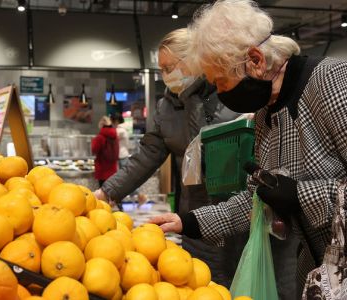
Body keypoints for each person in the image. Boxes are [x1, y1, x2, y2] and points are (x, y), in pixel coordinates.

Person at [150, 0, 347, 299]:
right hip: (318, 273)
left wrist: (300, 195)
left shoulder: (330, 82)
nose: (220, 92)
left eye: (221, 81)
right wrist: (188, 222)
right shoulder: (264, 117)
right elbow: (256, 201)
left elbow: (294, 194)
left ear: (255, 60)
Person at [94, 28, 240, 286]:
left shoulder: (229, 93)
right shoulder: (167, 106)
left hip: (236, 214)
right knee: (197, 283)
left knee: (238, 284)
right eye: (161, 69)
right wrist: (107, 193)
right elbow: (147, 155)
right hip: (192, 215)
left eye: (169, 67)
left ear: (194, 59)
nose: (165, 76)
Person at [91, 116, 119, 187]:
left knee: (103, 193)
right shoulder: (115, 136)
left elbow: (94, 150)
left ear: (101, 125)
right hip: (113, 168)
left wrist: (93, 141)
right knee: (111, 191)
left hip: (102, 169)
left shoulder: (100, 137)